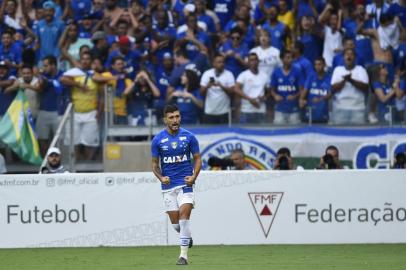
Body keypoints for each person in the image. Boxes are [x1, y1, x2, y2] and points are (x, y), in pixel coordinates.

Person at [151, 104, 202, 266]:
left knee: (184, 218)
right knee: (176, 225)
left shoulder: (189, 137)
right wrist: (161, 177)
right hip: (168, 187)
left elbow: (198, 158)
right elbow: (154, 164)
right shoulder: (158, 139)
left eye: (177, 116)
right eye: (171, 117)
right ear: (165, 119)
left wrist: (194, 176)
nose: (175, 120)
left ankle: (183, 256)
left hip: (185, 184)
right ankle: (186, 238)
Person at [330, 48, 369, 125]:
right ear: (343, 57)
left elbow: (365, 87)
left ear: (355, 57)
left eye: (351, 54)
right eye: (346, 54)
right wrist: (344, 80)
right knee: (338, 135)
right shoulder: (337, 70)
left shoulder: (361, 70)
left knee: (359, 135)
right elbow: (333, 88)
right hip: (340, 108)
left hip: (358, 109)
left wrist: (351, 80)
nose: (349, 56)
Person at [200, 54, 235, 124]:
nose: (222, 64)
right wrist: (208, 86)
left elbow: (232, 92)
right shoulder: (207, 74)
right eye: (219, 62)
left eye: (223, 62)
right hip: (210, 112)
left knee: (225, 134)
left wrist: (221, 85)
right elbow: (201, 92)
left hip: (224, 112)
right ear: (214, 63)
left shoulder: (229, 74)